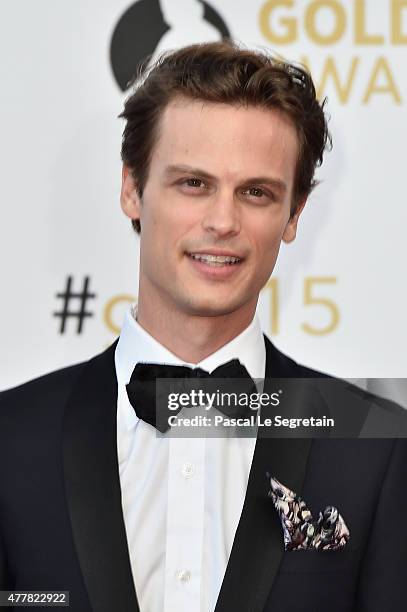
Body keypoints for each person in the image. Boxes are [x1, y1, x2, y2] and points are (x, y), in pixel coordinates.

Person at [0, 40, 406, 612]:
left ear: (294, 216)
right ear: (131, 189)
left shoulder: (376, 451)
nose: (222, 221)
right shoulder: (12, 438)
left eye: (256, 193)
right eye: (194, 183)